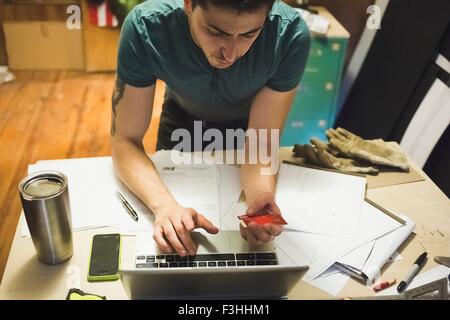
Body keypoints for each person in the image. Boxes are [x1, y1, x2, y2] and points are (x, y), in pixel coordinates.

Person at [111, 0, 310, 256]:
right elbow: (125, 140)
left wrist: (260, 197)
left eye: (249, 34)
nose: (230, 53)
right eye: (216, 32)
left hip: (246, 129)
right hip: (181, 123)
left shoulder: (289, 36)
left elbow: (260, 143)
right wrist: (164, 207)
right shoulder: (146, 27)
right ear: (189, 4)